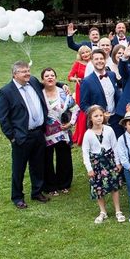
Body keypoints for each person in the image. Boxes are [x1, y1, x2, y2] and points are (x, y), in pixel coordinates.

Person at [0, 61, 50, 209]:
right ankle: (17, 197)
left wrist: (61, 84)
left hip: (39, 132)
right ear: (15, 74)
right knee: (19, 168)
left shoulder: (32, 81)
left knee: (38, 164)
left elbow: (46, 84)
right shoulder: (6, 92)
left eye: (28, 70)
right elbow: (3, 118)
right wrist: (12, 137)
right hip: (21, 136)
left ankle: (37, 192)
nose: (27, 73)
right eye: (23, 71)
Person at [82, 105, 124, 223]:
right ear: (90, 118)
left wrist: (117, 162)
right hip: (97, 164)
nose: (99, 118)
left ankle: (118, 210)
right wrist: (89, 168)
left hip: (109, 161)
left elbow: (115, 146)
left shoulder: (109, 130)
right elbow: (85, 152)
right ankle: (103, 211)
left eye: (101, 115)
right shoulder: (88, 134)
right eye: (96, 116)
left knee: (114, 186)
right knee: (99, 188)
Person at [41, 67, 79, 195]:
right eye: (47, 76)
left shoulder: (63, 93)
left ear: (56, 78)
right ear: (42, 80)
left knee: (64, 158)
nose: (50, 77)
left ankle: (64, 184)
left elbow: (75, 109)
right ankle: (50, 186)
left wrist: (70, 123)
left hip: (63, 132)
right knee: (47, 159)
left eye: (52, 75)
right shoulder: (38, 93)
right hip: (45, 133)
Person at [79, 49, 122, 136]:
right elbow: (83, 105)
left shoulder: (112, 75)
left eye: (101, 59)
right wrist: (98, 115)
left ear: (105, 60)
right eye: (96, 59)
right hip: (98, 123)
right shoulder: (87, 81)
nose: (99, 61)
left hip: (115, 119)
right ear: (91, 61)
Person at [68, 46, 92, 145]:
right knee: (83, 111)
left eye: (87, 52)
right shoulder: (78, 64)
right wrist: (76, 79)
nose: (85, 54)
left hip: (92, 88)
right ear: (80, 55)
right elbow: (70, 76)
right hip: (81, 89)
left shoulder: (94, 61)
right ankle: (81, 136)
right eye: (83, 53)